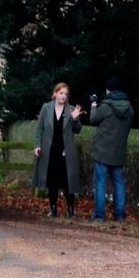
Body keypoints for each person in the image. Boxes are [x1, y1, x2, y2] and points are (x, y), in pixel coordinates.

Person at [33, 83, 84, 217]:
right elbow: (39, 129)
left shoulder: (71, 109)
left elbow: (77, 130)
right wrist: (37, 145)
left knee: (68, 180)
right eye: (61, 93)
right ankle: (53, 208)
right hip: (49, 150)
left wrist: (75, 119)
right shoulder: (46, 108)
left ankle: (70, 208)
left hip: (65, 151)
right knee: (52, 180)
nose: (63, 96)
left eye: (65, 94)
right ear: (55, 93)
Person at [89, 76, 134, 222]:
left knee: (100, 182)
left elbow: (93, 120)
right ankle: (120, 215)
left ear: (109, 89)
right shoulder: (130, 109)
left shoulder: (105, 106)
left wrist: (93, 105)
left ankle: (99, 215)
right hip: (118, 151)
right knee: (119, 183)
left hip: (102, 151)